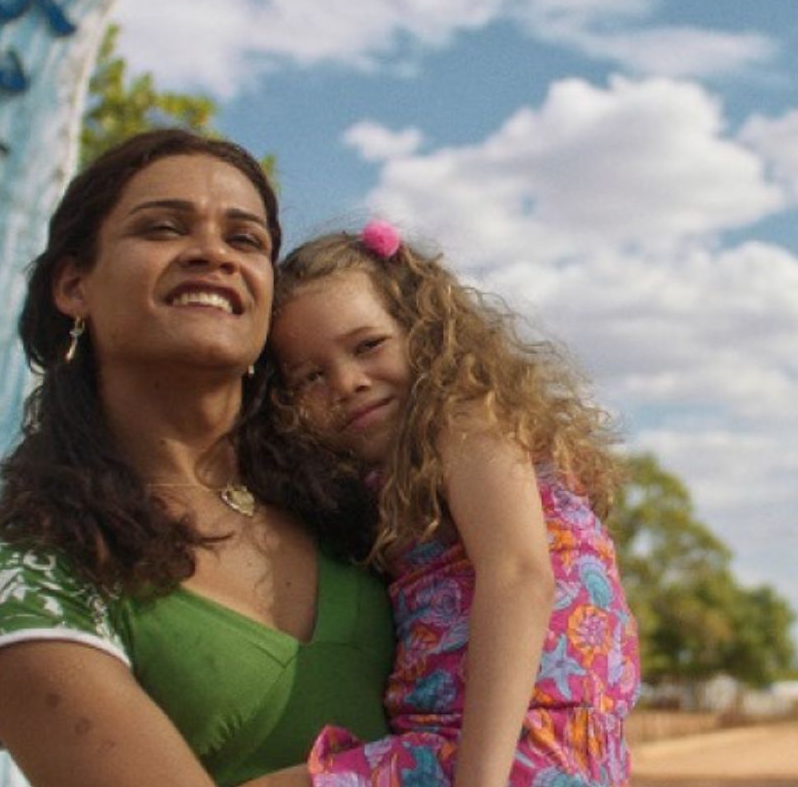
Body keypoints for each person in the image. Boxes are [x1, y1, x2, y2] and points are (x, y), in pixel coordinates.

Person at [0, 129, 395, 786]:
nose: (212, 253)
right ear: (75, 285)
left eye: (245, 240)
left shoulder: (360, 491)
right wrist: (431, 764)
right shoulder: (34, 574)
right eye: (163, 228)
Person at [266, 220, 639, 787]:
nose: (347, 382)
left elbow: (517, 573)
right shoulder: (380, 478)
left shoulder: (463, 418)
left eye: (368, 346)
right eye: (311, 377)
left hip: (507, 747)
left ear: (423, 332)